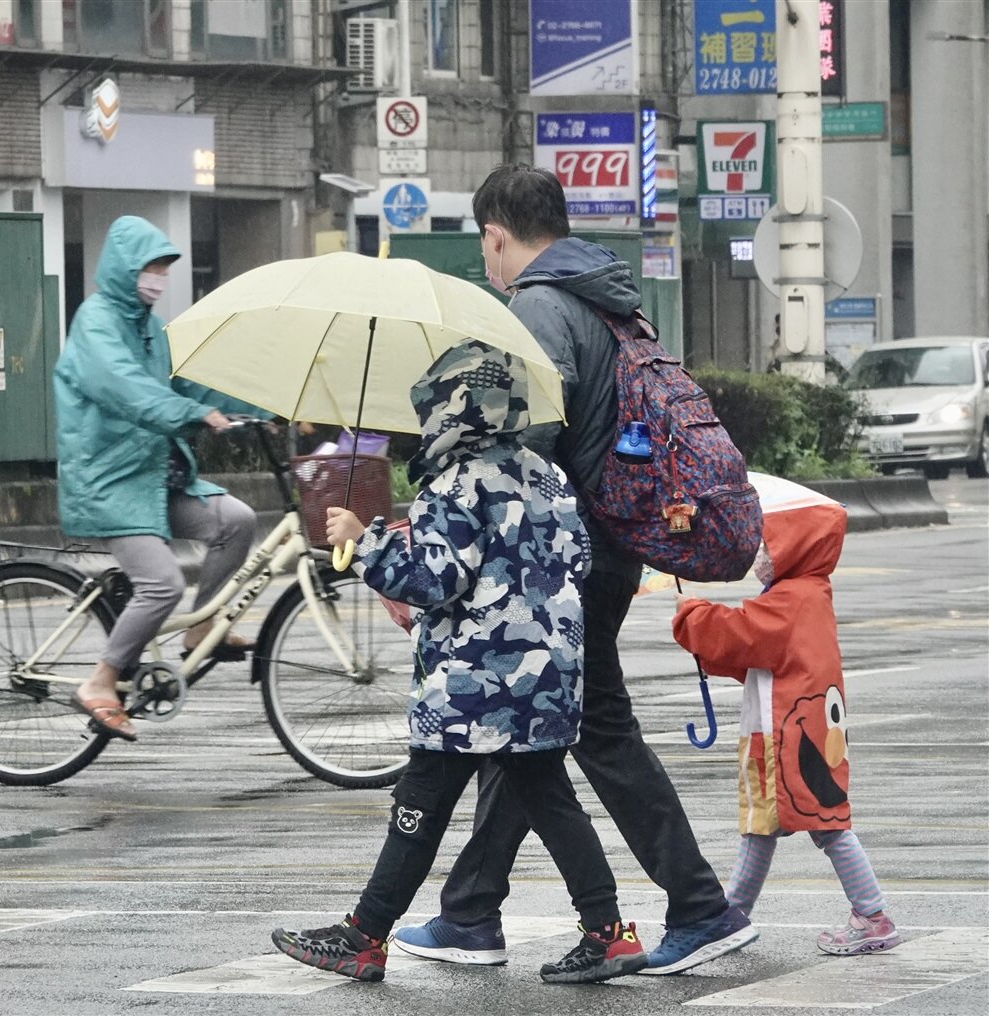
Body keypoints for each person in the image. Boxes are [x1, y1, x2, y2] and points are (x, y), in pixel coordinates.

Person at [391, 165, 756, 975]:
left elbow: (524, 448)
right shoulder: (608, 298)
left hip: (564, 560)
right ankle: (470, 912)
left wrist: (443, 544)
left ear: (496, 235)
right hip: (602, 544)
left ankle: (699, 906)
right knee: (525, 722)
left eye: (484, 244)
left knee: (590, 726)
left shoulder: (539, 306)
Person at [271, 345, 648, 985]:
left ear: (450, 412)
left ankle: (364, 937)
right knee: (551, 802)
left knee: (419, 803)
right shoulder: (548, 475)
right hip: (548, 674)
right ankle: (608, 932)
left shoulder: (453, 485)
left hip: (472, 684)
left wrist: (363, 543)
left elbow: (433, 580)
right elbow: (578, 557)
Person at [53, 216, 263, 742]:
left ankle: (201, 628)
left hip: (154, 479)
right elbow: (126, 389)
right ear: (125, 269)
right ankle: (101, 681)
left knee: (237, 521)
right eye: (151, 268)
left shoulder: (150, 329)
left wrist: (261, 409)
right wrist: (191, 415)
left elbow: (188, 385)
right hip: (109, 483)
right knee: (161, 584)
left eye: (164, 269)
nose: (158, 279)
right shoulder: (95, 322)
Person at [673, 503, 898, 956]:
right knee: (765, 827)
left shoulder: (792, 598)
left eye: (766, 545)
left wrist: (691, 614)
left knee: (825, 825)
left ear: (792, 545)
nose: (759, 556)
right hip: (792, 731)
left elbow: (738, 632)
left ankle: (872, 915)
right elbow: (762, 656)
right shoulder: (806, 593)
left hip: (788, 739)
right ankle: (732, 916)